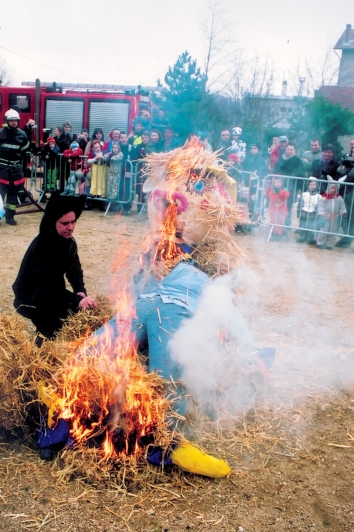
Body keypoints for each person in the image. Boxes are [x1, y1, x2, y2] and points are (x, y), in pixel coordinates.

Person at [13, 190, 97, 346]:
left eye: (73, 222)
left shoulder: (69, 243)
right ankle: (41, 349)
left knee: (76, 314)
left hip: (52, 292)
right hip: (31, 297)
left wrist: (80, 291)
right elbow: (47, 290)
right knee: (53, 327)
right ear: (53, 222)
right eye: (65, 223)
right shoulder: (41, 248)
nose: (70, 227)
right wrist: (77, 300)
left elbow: (74, 270)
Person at [0, 109, 30, 225]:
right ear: (6, 121)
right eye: (11, 120)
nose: (14, 123)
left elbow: (24, 152)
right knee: (0, 196)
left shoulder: (22, 135)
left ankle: (10, 218)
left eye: (16, 121)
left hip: (15, 171)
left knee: (12, 196)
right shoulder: (0, 134)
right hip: (1, 170)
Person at [274, 143, 305, 227]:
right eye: (288, 149)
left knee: (288, 206)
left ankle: (286, 225)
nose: (289, 151)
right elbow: (276, 170)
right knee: (278, 205)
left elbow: (300, 174)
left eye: (291, 149)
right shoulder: (281, 159)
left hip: (292, 186)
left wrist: (299, 187)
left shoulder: (298, 161)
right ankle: (277, 224)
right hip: (280, 186)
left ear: (295, 151)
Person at [316, 179, 347, 250]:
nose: (333, 190)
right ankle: (320, 242)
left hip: (335, 216)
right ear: (329, 188)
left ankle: (329, 244)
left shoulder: (339, 198)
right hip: (326, 216)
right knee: (323, 230)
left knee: (333, 231)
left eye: (335, 188)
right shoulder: (325, 197)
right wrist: (321, 214)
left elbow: (342, 207)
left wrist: (343, 213)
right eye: (332, 188)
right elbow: (320, 206)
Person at [334, 155, 354, 248]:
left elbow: (350, 177)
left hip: (350, 193)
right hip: (349, 194)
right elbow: (340, 172)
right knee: (348, 217)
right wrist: (344, 167)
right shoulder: (349, 163)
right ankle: (346, 239)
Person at [265, 176, 290, 241]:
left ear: (281, 183)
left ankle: (279, 235)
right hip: (274, 209)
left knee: (280, 222)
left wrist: (280, 191)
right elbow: (272, 198)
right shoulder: (272, 191)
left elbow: (285, 196)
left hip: (282, 210)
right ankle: (273, 234)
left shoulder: (285, 190)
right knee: (273, 221)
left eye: (278, 182)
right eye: (275, 182)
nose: (276, 184)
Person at [296, 178, 320, 244]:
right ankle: (302, 237)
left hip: (312, 213)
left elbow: (318, 206)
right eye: (310, 184)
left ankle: (310, 238)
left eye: (314, 185)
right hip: (304, 212)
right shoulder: (304, 194)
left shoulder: (318, 196)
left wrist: (318, 215)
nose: (312, 186)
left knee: (311, 227)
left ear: (316, 186)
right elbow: (300, 204)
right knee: (302, 225)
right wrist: (298, 212)